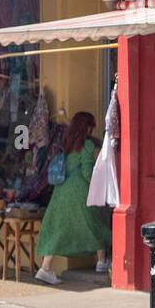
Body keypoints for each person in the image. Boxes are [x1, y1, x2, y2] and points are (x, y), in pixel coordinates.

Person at [35, 112, 111, 285]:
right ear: (87, 128)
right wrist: (102, 187)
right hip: (80, 191)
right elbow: (87, 173)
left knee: (57, 230)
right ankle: (101, 261)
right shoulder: (87, 145)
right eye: (92, 127)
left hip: (60, 192)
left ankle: (45, 268)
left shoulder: (66, 143)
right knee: (95, 223)